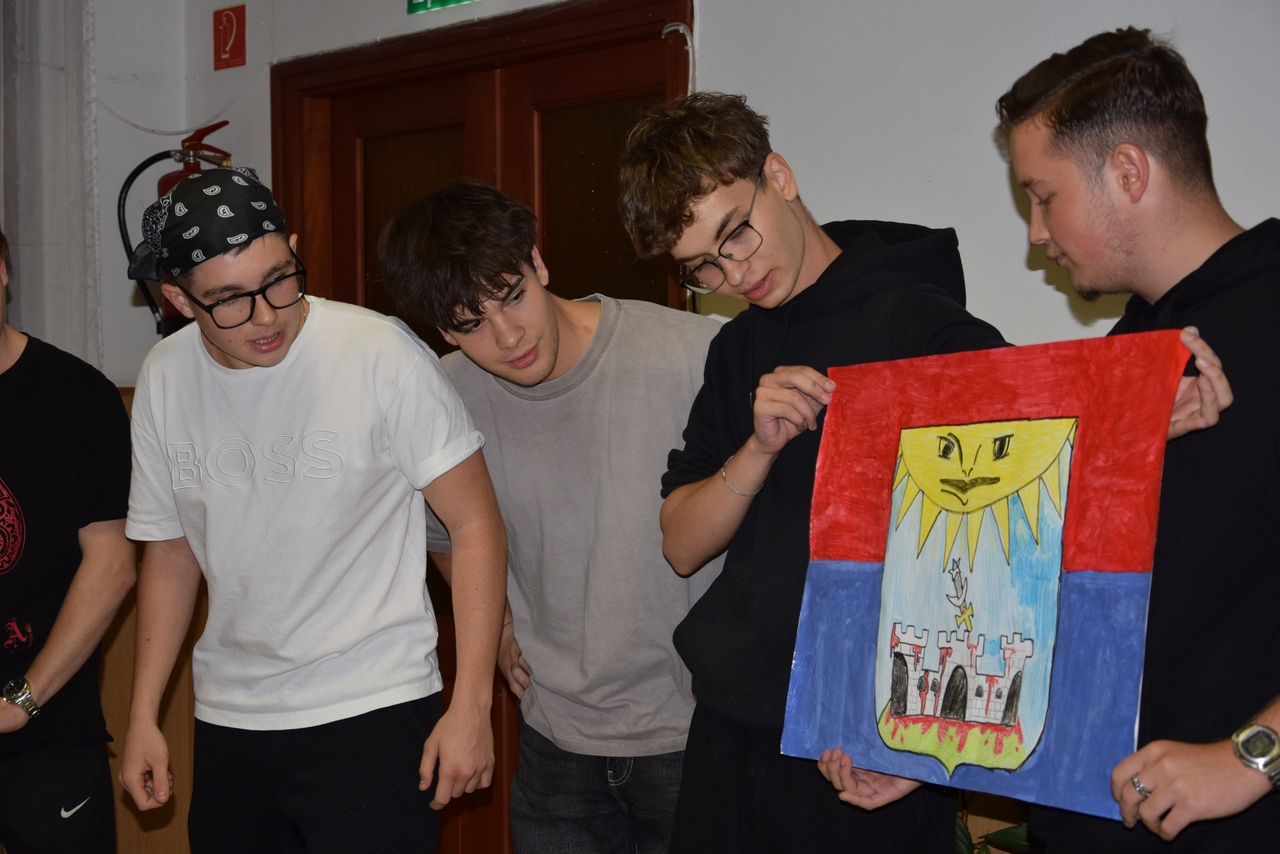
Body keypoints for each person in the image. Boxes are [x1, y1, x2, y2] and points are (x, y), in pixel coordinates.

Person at [822, 27, 1270, 852]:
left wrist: (1251, 757)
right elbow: (1059, 598)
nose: (1035, 232)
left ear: (1129, 173)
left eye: (1042, 195)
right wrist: (942, 742)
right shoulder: (1123, 358)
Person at [617, 92, 1010, 852]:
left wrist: (931, 733)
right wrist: (758, 450)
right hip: (734, 722)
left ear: (779, 176)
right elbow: (681, 544)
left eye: (736, 234)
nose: (733, 272)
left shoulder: (915, 321)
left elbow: (1010, 530)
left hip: (862, 738)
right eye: (702, 266)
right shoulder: (736, 349)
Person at [118, 167, 508, 853]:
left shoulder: (378, 352)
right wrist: (144, 714)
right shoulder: (165, 377)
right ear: (178, 299)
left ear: (294, 250)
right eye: (229, 301)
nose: (267, 315)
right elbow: (173, 552)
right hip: (232, 718)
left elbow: (475, 524)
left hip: (373, 707)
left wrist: (472, 704)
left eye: (280, 279)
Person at [377, 178, 724, 853]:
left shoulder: (690, 353)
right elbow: (445, 535)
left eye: (512, 296)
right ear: (442, 330)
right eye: (470, 324)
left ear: (538, 262)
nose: (508, 337)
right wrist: (502, 624)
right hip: (553, 742)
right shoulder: (446, 395)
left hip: (694, 733)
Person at [0, 226, 135, 853]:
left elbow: (113, 563)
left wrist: (21, 700)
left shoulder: (77, 395)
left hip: (48, 733)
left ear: (3, 271)